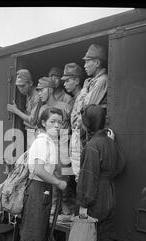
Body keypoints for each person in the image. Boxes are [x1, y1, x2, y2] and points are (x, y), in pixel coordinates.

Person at [70, 104, 125, 241]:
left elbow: (88, 176)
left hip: (94, 199)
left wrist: (83, 205)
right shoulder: (110, 142)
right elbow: (120, 166)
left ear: (88, 123)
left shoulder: (93, 145)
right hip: (109, 196)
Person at [15, 107, 67, 241]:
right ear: (43, 122)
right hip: (37, 188)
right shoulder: (42, 141)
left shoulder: (50, 141)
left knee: (39, 233)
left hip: (43, 188)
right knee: (32, 233)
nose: (57, 125)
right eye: (53, 121)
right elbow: (37, 170)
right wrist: (58, 183)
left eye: (59, 122)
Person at [70, 44, 108, 182]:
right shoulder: (93, 81)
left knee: (84, 174)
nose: (84, 65)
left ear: (97, 63)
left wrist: (84, 90)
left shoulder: (101, 80)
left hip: (87, 132)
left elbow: (86, 107)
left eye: (87, 61)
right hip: (82, 131)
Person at [36, 77, 72, 215]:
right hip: (49, 144)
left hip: (63, 143)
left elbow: (74, 125)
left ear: (50, 90)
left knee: (64, 175)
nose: (39, 93)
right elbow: (39, 126)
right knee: (50, 174)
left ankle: (64, 203)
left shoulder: (65, 106)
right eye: (37, 91)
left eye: (41, 90)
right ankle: (54, 204)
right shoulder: (43, 109)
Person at [7, 69, 41, 148]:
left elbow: (32, 120)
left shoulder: (36, 96)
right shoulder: (28, 93)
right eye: (18, 86)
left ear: (30, 83)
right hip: (30, 131)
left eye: (23, 86)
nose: (21, 89)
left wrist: (16, 110)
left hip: (36, 132)